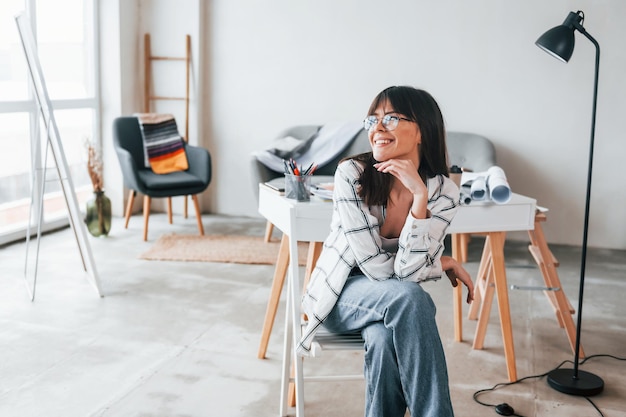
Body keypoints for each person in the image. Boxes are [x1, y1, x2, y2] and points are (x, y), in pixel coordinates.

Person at [298, 86, 475, 417]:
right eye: (372, 120)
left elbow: (406, 275)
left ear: (422, 129)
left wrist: (419, 199)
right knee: (413, 298)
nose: (377, 129)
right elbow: (378, 270)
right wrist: (438, 264)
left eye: (391, 119)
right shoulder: (352, 174)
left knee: (382, 340)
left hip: (390, 307)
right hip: (340, 297)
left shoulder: (444, 194)